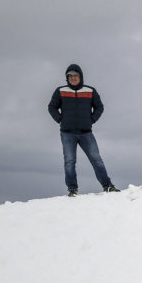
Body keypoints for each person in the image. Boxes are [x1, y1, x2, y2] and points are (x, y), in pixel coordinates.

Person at [47, 64, 118, 196]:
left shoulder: (90, 91)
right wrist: (60, 119)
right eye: (70, 76)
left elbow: (99, 107)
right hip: (67, 133)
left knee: (96, 159)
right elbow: (51, 107)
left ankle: (107, 186)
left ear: (80, 76)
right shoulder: (60, 91)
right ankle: (72, 190)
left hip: (86, 133)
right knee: (69, 161)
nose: (73, 78)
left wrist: (91, 120)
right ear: (67, 78)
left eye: (75, 75)